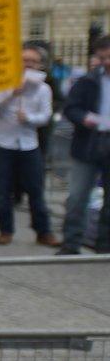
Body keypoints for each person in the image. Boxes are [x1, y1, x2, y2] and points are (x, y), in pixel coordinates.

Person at [0, 45, 60, 247]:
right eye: (24, 60)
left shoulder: (43, 89)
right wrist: (12, 93)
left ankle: (42, 231)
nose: (28, 64)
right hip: (3, 143)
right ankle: (6, 230)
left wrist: (29, 118)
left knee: (35, 189)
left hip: (29, 145)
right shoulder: (3, 82)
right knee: (3, 189)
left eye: (32, 61)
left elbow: (46, 116)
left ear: (39, 65)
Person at [58, 35, 110, 255]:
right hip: (89, 141)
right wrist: (83, 118)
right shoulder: (87, 81)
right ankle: (71, 243)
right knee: (78, 195)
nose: (106, 62)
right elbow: (71, 108)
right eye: (102, 57)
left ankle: (104, 244)